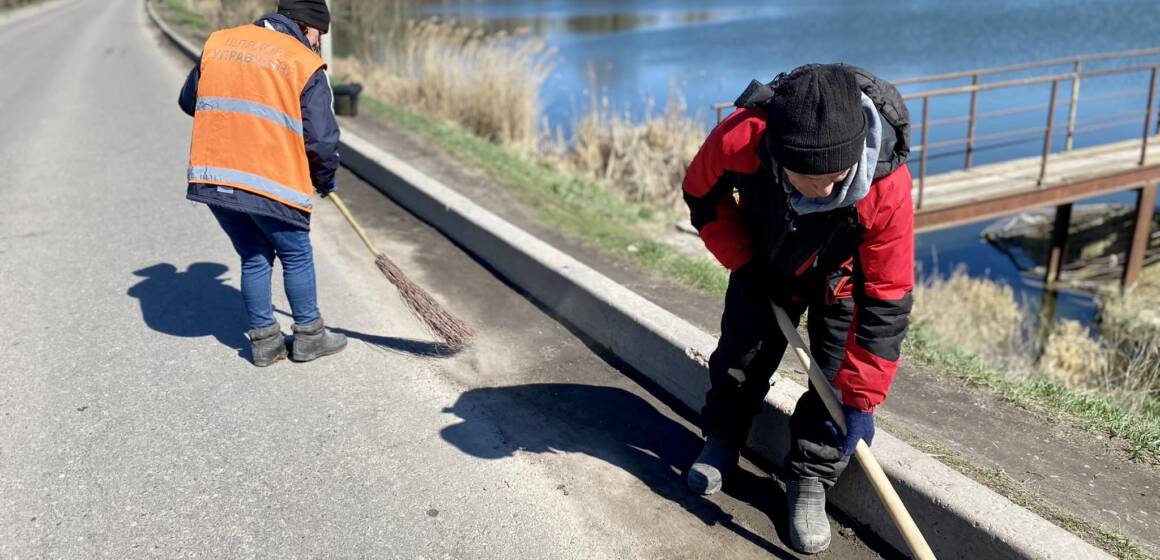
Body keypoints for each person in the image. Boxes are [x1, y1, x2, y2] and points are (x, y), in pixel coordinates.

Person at [681, 64, 914, 554]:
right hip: (765, 260)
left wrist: (861, 398)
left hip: (843, 281)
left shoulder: (886, 182)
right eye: (807, 179)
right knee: (739, 360)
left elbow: (888, 296)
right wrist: (744, 261)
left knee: (833, 382)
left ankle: (810, 478)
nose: (825, 192)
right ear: (775, 155)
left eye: (836, 178)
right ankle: (723, 438)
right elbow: (702, 199)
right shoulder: (742, 138)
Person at [178, 0, 346, 367]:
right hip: (268, 178)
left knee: (254, 254)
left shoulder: (219, 43)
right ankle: (309, 336)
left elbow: (189, 101)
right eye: (318, 35)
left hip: (213, 176)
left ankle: (265, 343)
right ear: (307, 27)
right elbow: (322, 139)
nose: (316, 43)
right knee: (295, 252)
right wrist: (325, 179)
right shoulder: (303, 62)